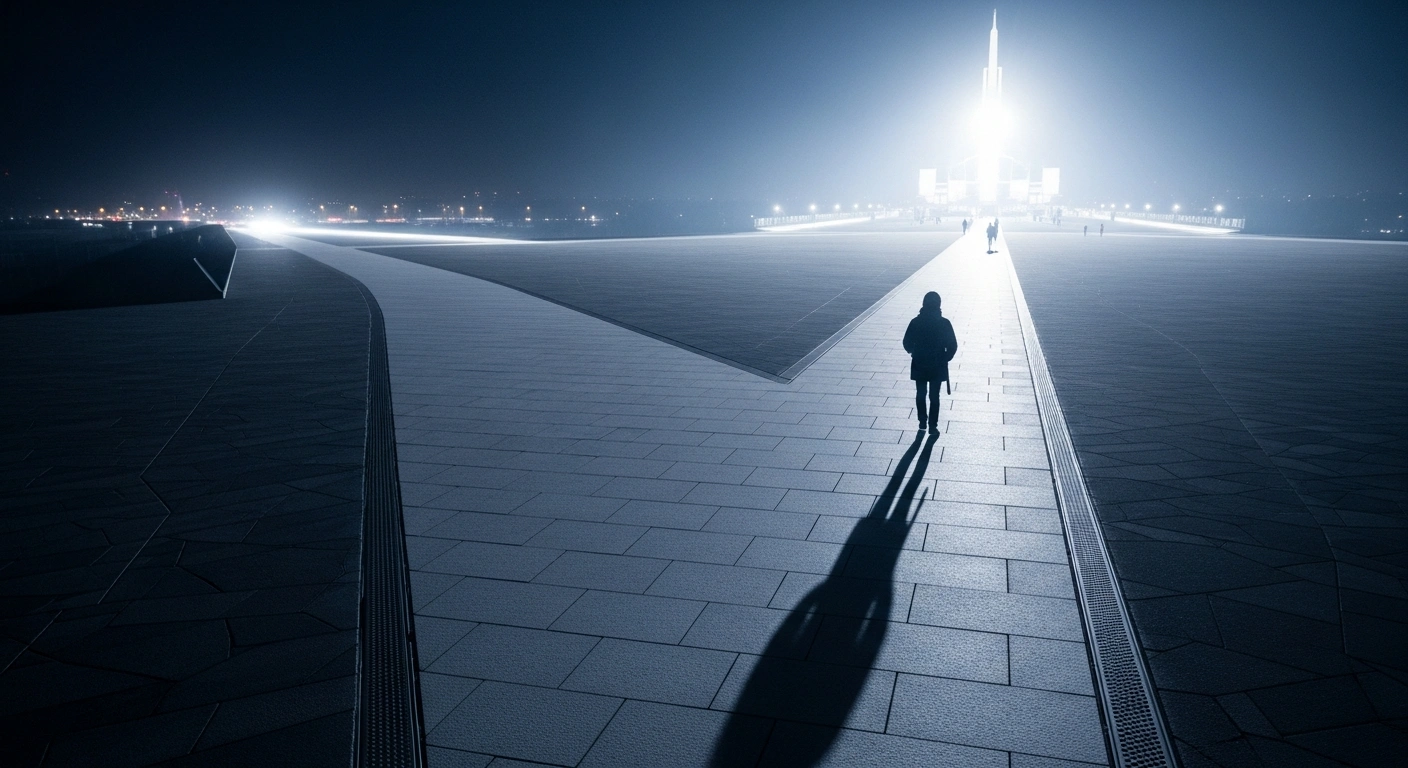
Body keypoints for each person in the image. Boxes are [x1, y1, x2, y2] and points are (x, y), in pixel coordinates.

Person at [903, 291, 958, 435]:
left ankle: (922, 421)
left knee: (921, 393)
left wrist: (913, 352)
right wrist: (946, 357)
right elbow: (953, 345)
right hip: (937, 364)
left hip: (919, 362)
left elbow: (906, 342)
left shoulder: (916, 322)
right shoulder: (944, 323)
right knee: (934, 396)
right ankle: (933, 425)